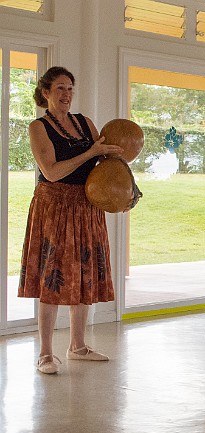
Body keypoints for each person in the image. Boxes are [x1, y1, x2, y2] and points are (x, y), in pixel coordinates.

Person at [18, 66, 124, 374]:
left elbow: (103, 161)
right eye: (61, 88)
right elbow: (51, 171)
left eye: (71, 89)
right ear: (46, 92)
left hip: (86, 204)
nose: (67, 94)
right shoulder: (38, 127)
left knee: (85, 272)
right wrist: (90, 151)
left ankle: (77, 346)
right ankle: (45, 353)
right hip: (54, 204)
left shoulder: (84, 123)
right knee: (52, 276)